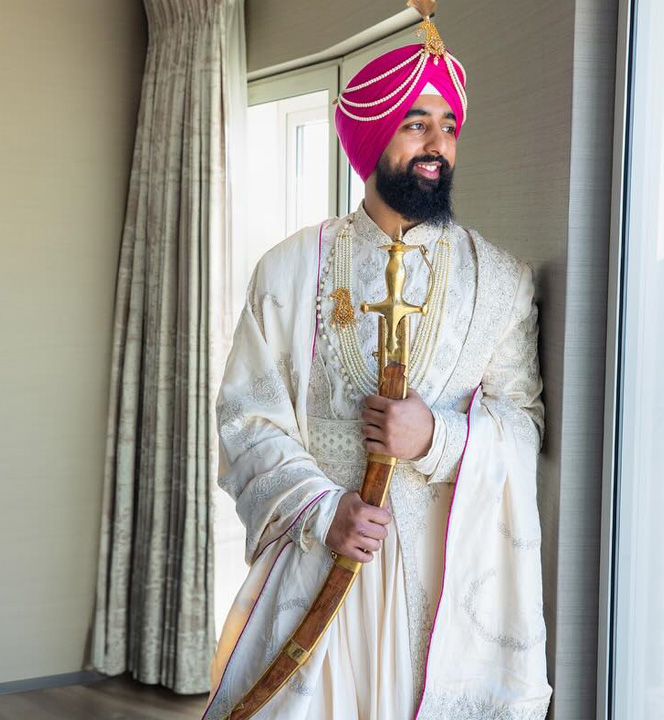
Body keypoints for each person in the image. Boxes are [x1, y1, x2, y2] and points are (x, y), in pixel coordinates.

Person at [200, 4, 552, 719]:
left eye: (448, 126)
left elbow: (524, 426)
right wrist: (324, 511)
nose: (437, 144)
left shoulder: (503, 282)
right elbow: (246, 415)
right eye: (416, 122)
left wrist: (436, 440)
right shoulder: (292, 269)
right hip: (321, 567)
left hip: (445, 593)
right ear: (371, 135)